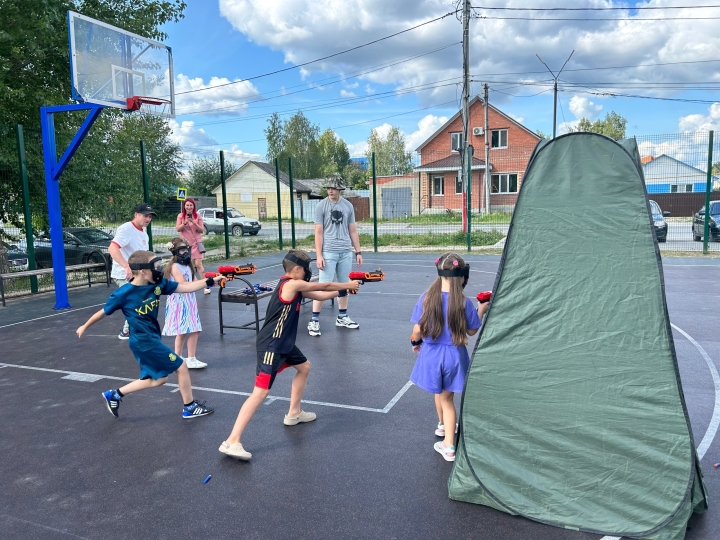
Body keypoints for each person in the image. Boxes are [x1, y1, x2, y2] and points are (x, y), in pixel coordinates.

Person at [219, 249, 360, 461]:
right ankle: (232, 441)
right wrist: (346, 284)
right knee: (260, 393)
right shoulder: (291, 284)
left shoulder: (295, 286)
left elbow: (322, 295)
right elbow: (323, 286)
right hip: (272, 345)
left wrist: (345, 291)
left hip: (284, 343)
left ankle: (294, 413)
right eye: (305, 269)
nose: (308, 273)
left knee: (304, 367)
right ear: (296, 270)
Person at [77, 250, 222, 419]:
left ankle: (114, 395)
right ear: (143, 271)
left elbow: (187, 287)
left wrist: (211, 280)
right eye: (156, 267)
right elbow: (103, 312)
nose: (159, 270)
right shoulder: (124, 293)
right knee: (181, 366)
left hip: (151, 339)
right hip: (143, 341)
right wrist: (84, 326)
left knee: (159, 379)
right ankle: (189, 407)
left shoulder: (157, 285)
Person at [409, 252, 489, 462]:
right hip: (454, 356)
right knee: (446, 397)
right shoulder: (463, 302)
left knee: (441, 395)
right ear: (461, 276)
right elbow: (472, 330)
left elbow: (417, 330)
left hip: (432, 355)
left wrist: (415, 343)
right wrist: (481, 310)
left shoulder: (426, 299)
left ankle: (448, 443)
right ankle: (445, 431)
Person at [309, 173, 363, 337]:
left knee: (344, 285)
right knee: (323, 286)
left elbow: (352, 230)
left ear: (340, 189)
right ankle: (314, 320)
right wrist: (319, 255)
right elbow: (318, 233)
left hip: (345, 251)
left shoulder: (348, 206)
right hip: (329, 252)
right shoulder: (321, 206)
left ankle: (342, 317)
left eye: (333, 188)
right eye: (328, 188)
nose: (330, 190)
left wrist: (358, 251)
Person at [109, 203, 156, 340]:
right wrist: (126, 266)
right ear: (136, 215)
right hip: (123, 274)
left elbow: (144, 254)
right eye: (145, 216)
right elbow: (112, 248)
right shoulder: (126, 229)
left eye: (150, 217)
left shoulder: (144, 233)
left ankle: (129, 330)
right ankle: (128, 331)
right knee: (136, 301)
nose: (148, 219)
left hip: (137, 274)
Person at [161, 238, 207, 369]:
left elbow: (195, 281)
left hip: (190, 301)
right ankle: (180, 358)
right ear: (175, 252)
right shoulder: (174, 267)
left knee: (195, 329)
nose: (185, 252)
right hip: (179, 301)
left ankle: (190, 358)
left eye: (186, 249)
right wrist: (205, 282)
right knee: (182, 331)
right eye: (182, 250)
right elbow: (183, 284)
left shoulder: (188, 265)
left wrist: (209, 281)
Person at [176, 198, 209, 294]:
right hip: (185, 245)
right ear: (184, 206)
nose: (189, 207)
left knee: (198, 265)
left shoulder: (198, 216)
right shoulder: (181, 216)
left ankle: (205, 286)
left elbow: (201, 230)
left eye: (191, 205)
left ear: (194, 206)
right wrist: (185, 222)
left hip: (196, 243)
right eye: (187, 205)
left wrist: (194, 222)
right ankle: (191, 285)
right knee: (187, 265)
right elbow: (178, 229)